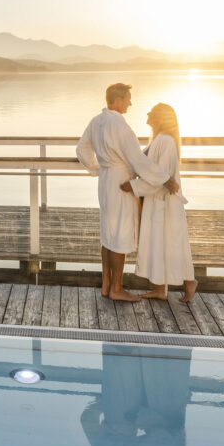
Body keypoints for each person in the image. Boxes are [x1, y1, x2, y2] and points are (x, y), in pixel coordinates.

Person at [76, 83, 179, 301]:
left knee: (107, 235)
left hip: (105, 181)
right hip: (121, 183)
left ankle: (106, 286)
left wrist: (98, 168)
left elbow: (82, 150)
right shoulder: (120, 126)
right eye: (128, 99)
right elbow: (138, 160)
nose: (130, 103)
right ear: (118, 100)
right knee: (120, 236)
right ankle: (117, 289)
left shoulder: (96, 121)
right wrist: (164, 178)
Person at [120, 103, 198, 303]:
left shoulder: (166, 142)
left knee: (172, 244)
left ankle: (190, 282)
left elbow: (158, 177)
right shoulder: (158, 140)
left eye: (152, 112)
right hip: (158, 202)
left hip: (165, 204)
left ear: (160, 118)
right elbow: (150, 169)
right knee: (159, 243)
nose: (147, 113)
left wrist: (133, 186)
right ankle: (159, 289)